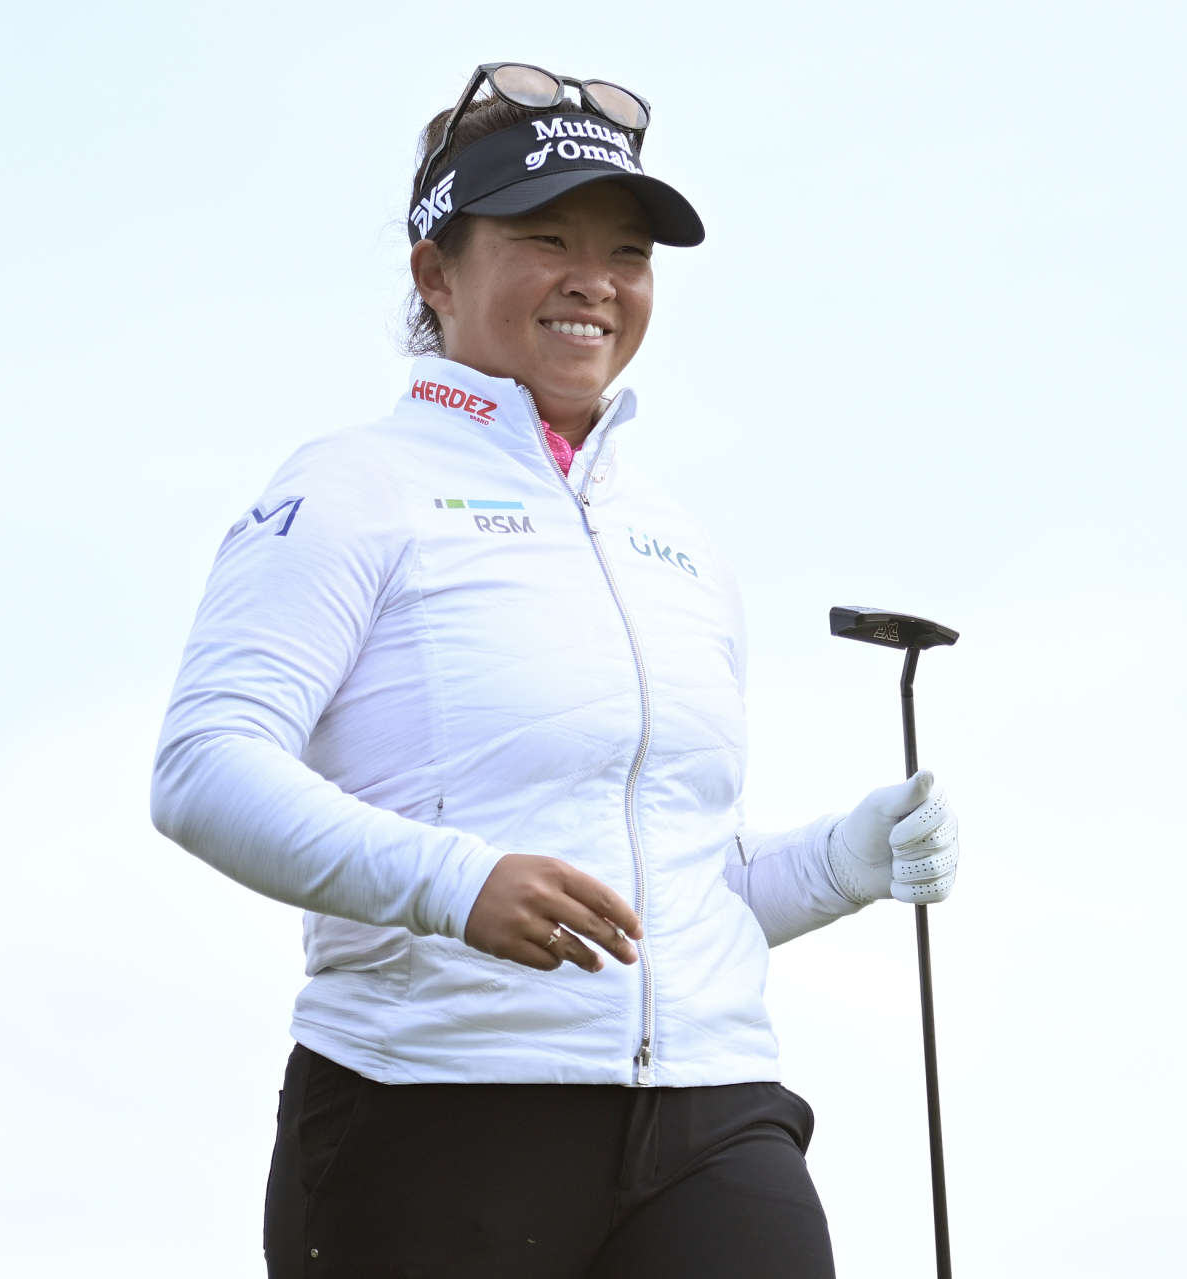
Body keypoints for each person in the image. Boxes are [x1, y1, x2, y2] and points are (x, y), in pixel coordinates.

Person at [150, 62, 960, 1279]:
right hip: (429, 1111)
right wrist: (452, 882)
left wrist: (846, 860)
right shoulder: (350, 486)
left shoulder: (680, 542)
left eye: (628, 252)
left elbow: (671, 887)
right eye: (546, 237)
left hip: (712, 1109)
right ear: (437, 271)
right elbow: (203, 768)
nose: (597, 280)